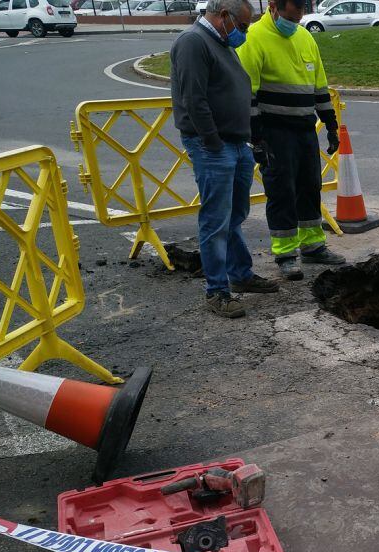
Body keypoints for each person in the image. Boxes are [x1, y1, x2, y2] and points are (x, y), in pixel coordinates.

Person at [171, 0, 279, 318]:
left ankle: (240, 275)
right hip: (214, 145)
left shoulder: (220, 42)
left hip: (235, 142)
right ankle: (217, 291)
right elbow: (194, 97)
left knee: (234, 215)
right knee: (216, 220)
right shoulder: (193, 42)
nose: (244, 32)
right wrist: (212, 141)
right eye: (243, 26)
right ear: (223, 16)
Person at [238, 0, 348, 280]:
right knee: (282, 189)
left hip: (304, 128)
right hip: (274, 131)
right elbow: (247, 94)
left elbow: (319, 87)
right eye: (290, 17)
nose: (294, 24)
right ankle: (285, 253)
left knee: (310, 186)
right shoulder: (254, 38)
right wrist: (257, 137)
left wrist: (331, 125)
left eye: (298, 19)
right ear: (273, 8)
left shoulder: (305, 37)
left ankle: (312, 247)